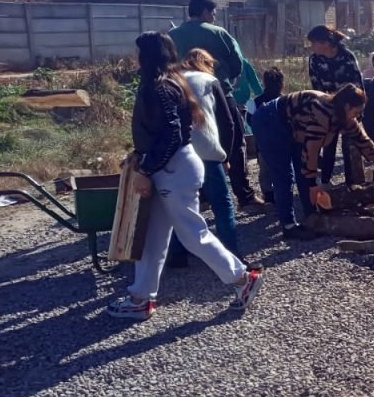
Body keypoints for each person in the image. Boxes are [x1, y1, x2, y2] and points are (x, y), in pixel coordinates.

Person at [108, 32, 264, 320]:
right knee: (152, 238)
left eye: (138, 52)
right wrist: (139, 155)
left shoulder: (160, 88)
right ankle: (141, 297)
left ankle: (243, 278)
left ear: (147, 56)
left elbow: (172, 135)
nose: (134, 58)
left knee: (193, 234)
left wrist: (145, 169)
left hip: (172, 169)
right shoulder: (167, 84)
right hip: (169, 167)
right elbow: (163, 133)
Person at [251, 84, 374, 240]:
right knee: (285, 176)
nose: (356, 116)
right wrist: (312, 184)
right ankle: (289, 226)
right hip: (270, 121)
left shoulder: (344, 114)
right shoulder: (322, 112)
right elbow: (312, 149)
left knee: (303, 172)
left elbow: (361, 138)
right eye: (355, 112)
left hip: (294, 126)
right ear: (347, 106)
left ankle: (311, 215)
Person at [169, 0, 264, 211]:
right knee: (236, 139)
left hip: (184, 97)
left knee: (192, 144)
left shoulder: (172, 35)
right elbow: (237, 62)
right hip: (219, 92)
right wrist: (227, 78)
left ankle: (201, 196)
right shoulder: (219, 33)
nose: (213, 17)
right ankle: (244, 195)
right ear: (204, 12)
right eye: (212, 13)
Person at [165, 49, 241, 269]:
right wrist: (226, 153)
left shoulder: (172, 80)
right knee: (222, 201)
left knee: (182, 205)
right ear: (207, 64)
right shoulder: (210, 80)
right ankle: (230, 250)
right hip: (207, 150)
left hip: (179, 151)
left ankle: (178, 254)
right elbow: (228, 122)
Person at [307, 25, 366, 185]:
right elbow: (316, 88)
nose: (312, 47)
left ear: (325, 43)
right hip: (328, 108)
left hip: (348, 108)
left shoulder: (347, 57)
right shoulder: (315, 60)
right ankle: (325, 181)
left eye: (314, 43)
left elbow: (358, 85)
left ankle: (352, 184)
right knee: (328, 145)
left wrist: (358, 112)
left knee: (350, 146)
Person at [254, 67, 286, 204]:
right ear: (281, 83)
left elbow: (250, 121)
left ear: (264, 82)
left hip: (263, 144)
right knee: (283, 171)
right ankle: (284, 194)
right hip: (284, 143)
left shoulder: (255, 101)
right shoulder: (286, 100)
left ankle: (268, 196)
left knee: (265, 172)